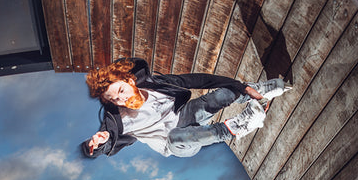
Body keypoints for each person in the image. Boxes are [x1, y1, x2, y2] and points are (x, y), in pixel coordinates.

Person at [80, 57, 290, 160]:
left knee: (219, 96)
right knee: (174, 137)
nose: (121, 100)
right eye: (114, 99)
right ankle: (237, 127)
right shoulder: (116, 121)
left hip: (184, 117)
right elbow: (107, 142)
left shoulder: (157, 84)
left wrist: (241, 86)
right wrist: (96, 145)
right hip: (176, 144)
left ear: (130, 80)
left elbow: (198, 79)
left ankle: (257, 90)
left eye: (121, 91)